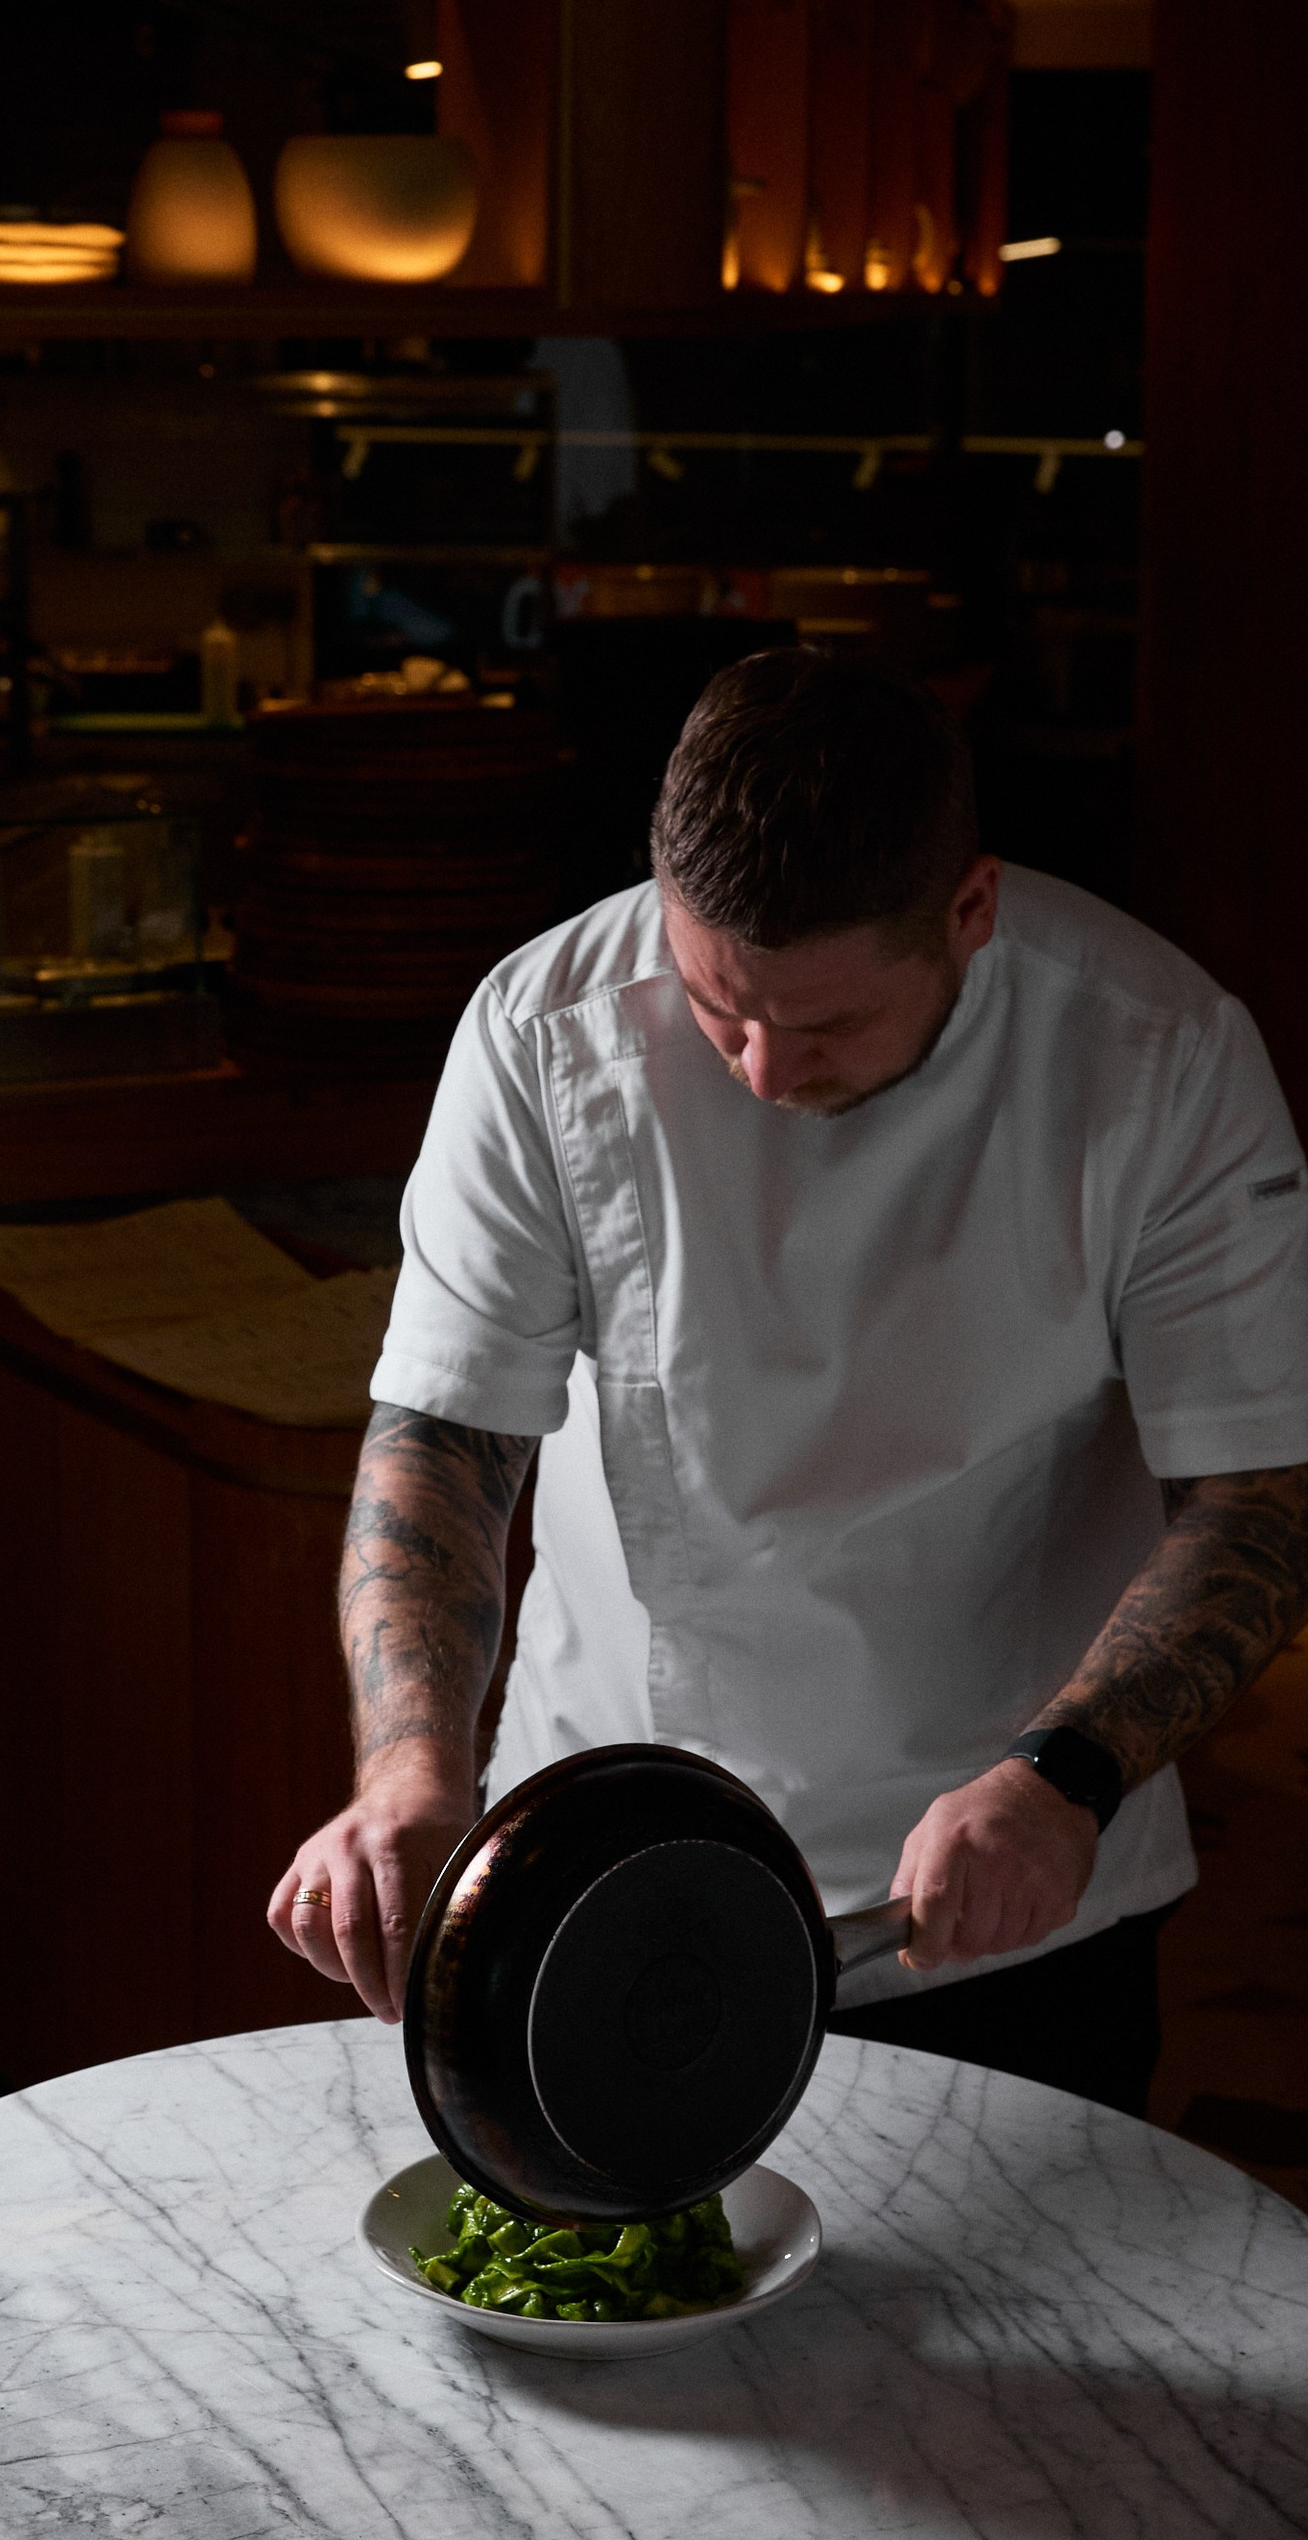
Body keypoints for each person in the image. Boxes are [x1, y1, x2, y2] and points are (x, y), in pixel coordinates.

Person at [268, 647, 1308, 2115]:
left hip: (1012, 1866)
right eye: (717, 1005)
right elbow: (443, 1436)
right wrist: (409, 1773)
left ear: (970, 910)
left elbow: (1258, 1493)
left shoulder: (1163, 1057)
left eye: (823, 1027)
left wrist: (1066, 1776)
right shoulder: (538, 1032)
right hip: (602, 1847)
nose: (759, 1071)